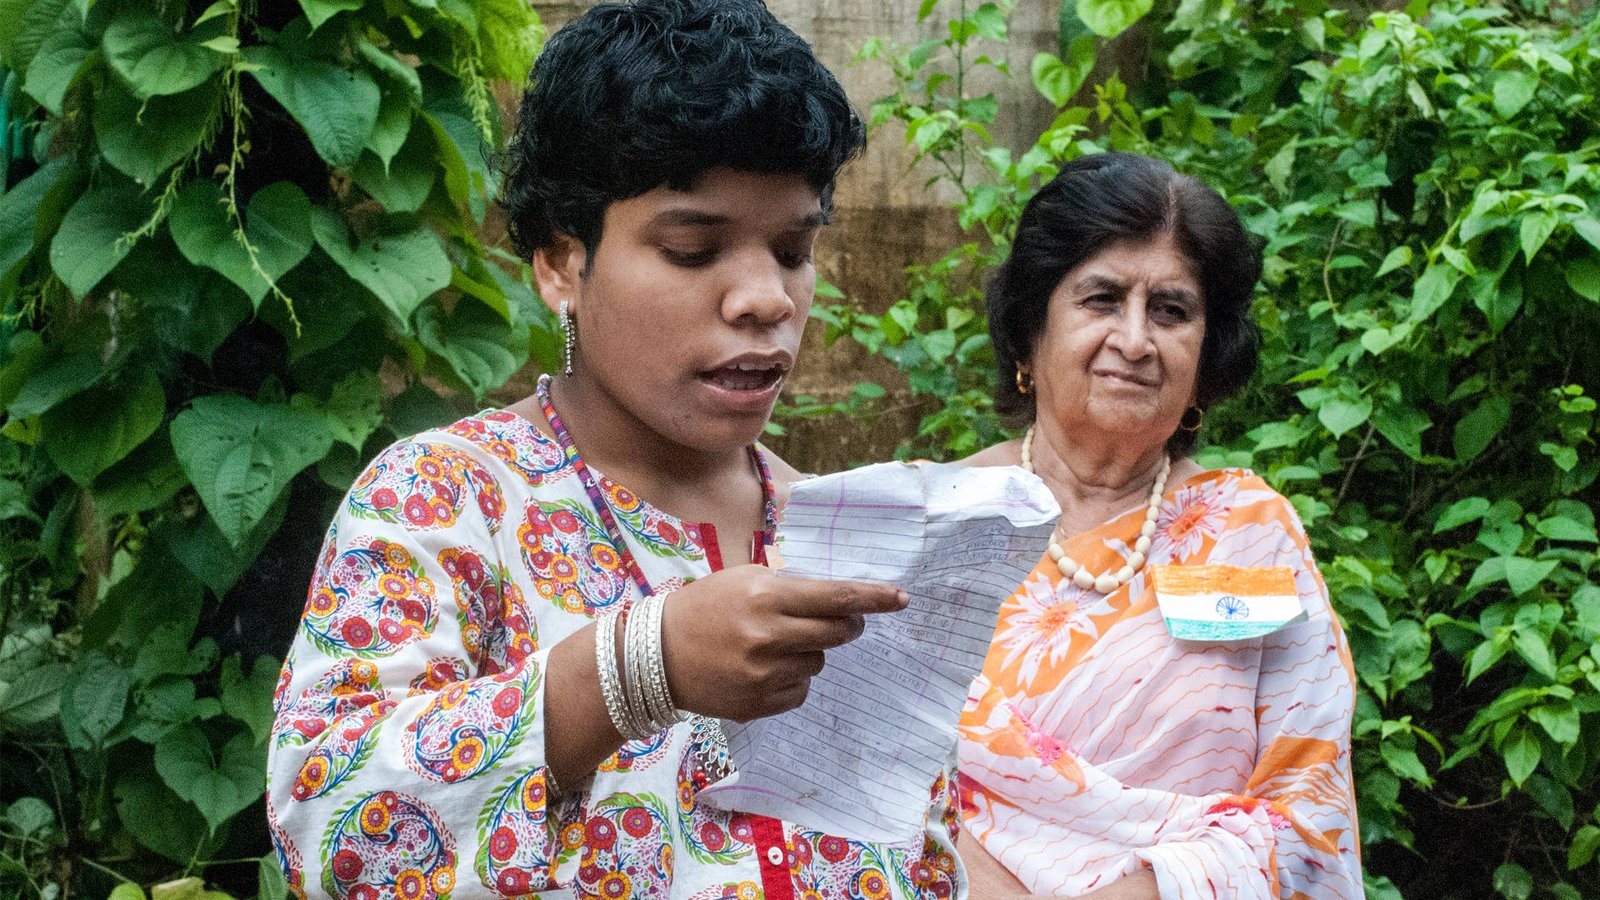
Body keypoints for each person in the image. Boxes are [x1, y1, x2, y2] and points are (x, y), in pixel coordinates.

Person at [265, 2, 964, 897]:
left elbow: (927, 849)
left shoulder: (844, 536)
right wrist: (639, 665)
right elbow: (328, 829)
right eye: (690, 249)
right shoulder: (444, 502)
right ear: (562, 263)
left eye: (794, 248)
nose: (766, 298)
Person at [954, 153, 1362, 899]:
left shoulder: (1252, 534)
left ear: (1207, 355)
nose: (1136, 341)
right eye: (1102, 299)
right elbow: (866, 774)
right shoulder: (937, 525)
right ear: (1029, 332)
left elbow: (1310, 813)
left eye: (1171, 310)